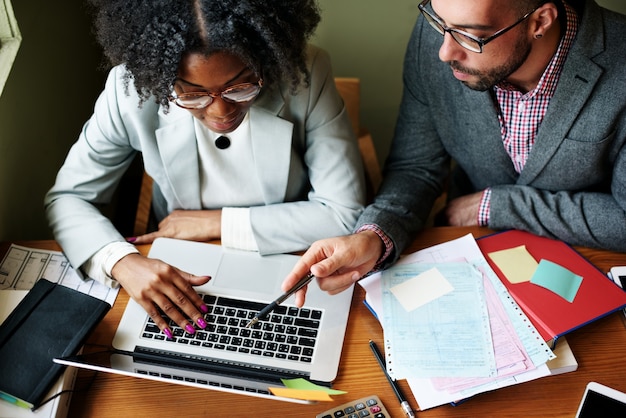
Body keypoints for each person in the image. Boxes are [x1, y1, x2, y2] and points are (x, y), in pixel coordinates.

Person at [44, 0, 365, 338]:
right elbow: (68, 198)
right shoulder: (128, 92)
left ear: (265, 60)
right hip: (184, 265)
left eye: (241, 86)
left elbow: (343, 214)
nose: (221, 111)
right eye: (193, 94)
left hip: (290, 255)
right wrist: (121, 262)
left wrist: (217, 223)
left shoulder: (306, 72)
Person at [283, 0, 626, 306]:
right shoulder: (439, 34)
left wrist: (496, 205)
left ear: (540, 21)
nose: (444, 52)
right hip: (474, 259)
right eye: (438, 20)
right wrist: (374, 236)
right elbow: (415, 168)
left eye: (469, 34)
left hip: (591, 265)